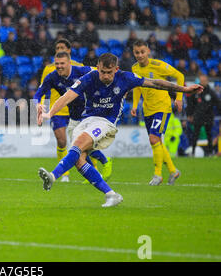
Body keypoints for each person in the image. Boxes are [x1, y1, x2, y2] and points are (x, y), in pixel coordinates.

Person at [37, 53, 203, 207]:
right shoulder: (89, 77)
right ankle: (111, 194)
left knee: (78, 145)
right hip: (86, 120)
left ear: (116, 69)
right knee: (79, 160)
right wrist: (50, 113)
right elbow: (67, 96)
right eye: (103, 72)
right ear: (98, 67)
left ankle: (53, 176)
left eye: (109, 72)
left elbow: (156, 83)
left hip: (106, 123)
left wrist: (184, 90)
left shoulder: (126, 78)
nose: (106, 76)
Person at [38, 39, 112, 183]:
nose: (59, 49)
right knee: (62, 141)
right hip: (57, 108)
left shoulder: (78, 67)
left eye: (62, 47)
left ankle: (95, 169)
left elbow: (92, 80)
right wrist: (42, 105)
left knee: (82, 143)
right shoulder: (50, 69)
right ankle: (65, 174)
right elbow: (43, 88)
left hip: (80, 110)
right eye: (57, 47)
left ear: (69, 51)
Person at [131, 39, 185, 186]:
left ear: (148, 51)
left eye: (142, 52)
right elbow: (137, 86)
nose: (140, 55)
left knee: (154, 139)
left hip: (162, 107)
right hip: (147, 109)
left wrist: (179, 98)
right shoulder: (134, 68)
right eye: (137, 52)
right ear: (134, 53)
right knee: (157, 141)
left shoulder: (158, 65)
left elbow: (180, 76)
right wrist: (135, 105)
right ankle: (174, 171)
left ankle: (158, 175)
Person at [186, 74, 221, 157]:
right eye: (201, 81)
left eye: (204, 81)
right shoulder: (196, 91)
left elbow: (218, 103)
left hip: (208, 117)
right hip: (198, 116)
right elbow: (190, 104)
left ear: (207, 81)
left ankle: (210, 152)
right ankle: (193, 152)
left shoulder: (211, 92)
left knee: (209, 135)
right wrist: (189, 114)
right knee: (195, 134)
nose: (203, 82)